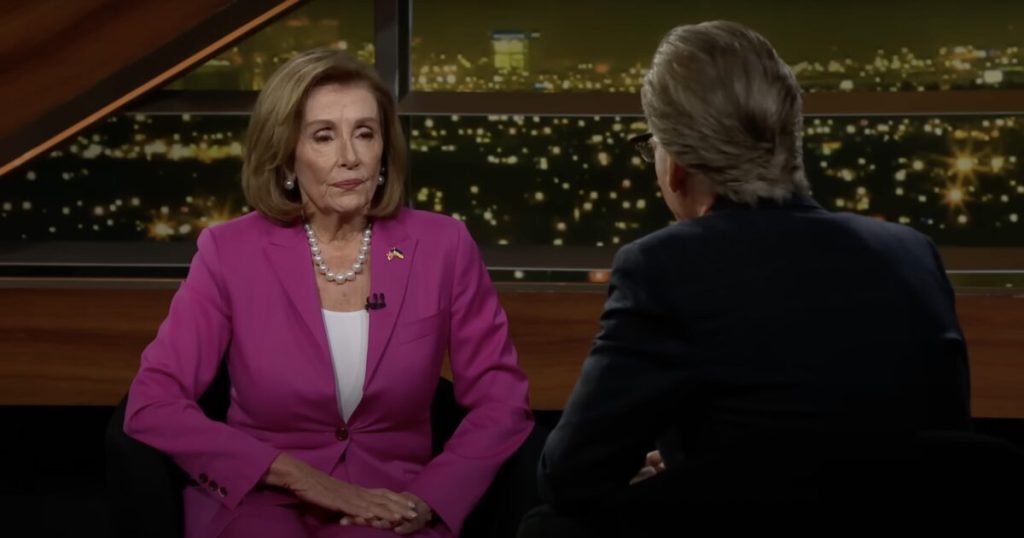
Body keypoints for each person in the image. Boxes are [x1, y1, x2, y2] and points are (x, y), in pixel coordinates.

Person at [521, 20, 970, 536]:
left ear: (677, 164)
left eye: (652, 145)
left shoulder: (664, 266)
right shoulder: (911, 252)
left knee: (548, 525)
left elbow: (570, 475)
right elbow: (945, 453)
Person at [124, 48, 533, 538]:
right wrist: (301, 478)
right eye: (324, 136)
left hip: (391, 502)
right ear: (287, 156)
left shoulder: (442, 246)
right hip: (262, 499)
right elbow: (153, 402)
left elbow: (501, 403)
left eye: (365, 133)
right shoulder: (229, 252)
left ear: (384, 150)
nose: (350, 156)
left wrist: (430, 499)